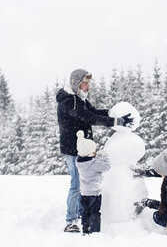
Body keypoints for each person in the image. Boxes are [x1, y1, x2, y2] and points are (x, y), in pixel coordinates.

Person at [56, 69, 133, 233]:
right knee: (77, 185)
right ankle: (71, 221)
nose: (88, 86)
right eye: (85, 83)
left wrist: (112, 114)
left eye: (88, 83)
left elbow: (93, 112)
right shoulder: (69, 102)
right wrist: (115, 121)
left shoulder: (79, 99)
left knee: (83, 184)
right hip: (73, 150)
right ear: (77, 84)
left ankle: (80, 213)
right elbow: (89, 118)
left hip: (82, 148)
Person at [75, 130, 110, 234]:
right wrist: (105, 157)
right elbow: (106, 167)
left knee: (85, 212)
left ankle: (86, 230)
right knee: (95, 212)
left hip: (84, 193)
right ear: (89, 153)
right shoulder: (94, 163)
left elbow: (90, 160)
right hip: (94, 193)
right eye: (94, 151)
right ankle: (94, 232)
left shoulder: (79, 162)